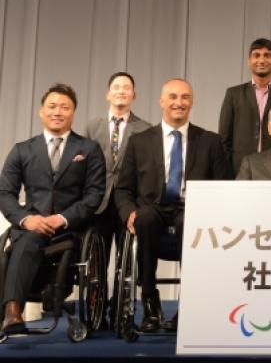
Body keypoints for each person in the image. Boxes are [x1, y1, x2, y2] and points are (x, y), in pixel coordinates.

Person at [116, 79, 232, 333]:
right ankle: (149, 301)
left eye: (185, 97)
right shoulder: (140, 141)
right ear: (161, 101)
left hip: (192, 210)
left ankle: (188, 305)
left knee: (187, 221)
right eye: (173, 97)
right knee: (144, 218)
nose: (179, 103)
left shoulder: (210, 141)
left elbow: (223, 185)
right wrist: (128, 214)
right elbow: (123, 188)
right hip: (153, 210)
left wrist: (210, 213)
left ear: (192, 102)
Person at [0, 84, 105, 333]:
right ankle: (13, 311)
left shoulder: (88, 149)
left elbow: (94, 195)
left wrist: (62, 218)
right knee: (28, 239)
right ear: (41, 111)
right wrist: (26, 220)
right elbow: (5, 193)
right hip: (30, 225)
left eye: (64, 107)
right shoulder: (22, 149)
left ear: (73, 112)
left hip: (70, 230)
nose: (58, 111)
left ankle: (20, 306)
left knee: (32, 241)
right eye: (52, 106)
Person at [84, 72, 150, 327]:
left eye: (127, 88)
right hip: (99, 201)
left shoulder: (144, 128)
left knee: (126, 260)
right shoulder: (92, 126)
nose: (121, 91)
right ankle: (96, 306)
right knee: (97, 259)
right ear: (108, 94)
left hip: (128, 202)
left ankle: (121, 309)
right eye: (116, 87)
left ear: (134, 95)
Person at [219, 38, 271, 173]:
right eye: (256, 55)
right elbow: (224, 139)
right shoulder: (234, 94)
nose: (261, 60)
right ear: (249, 61)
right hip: (239, 170)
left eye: (267, 55)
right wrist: (228, 169)